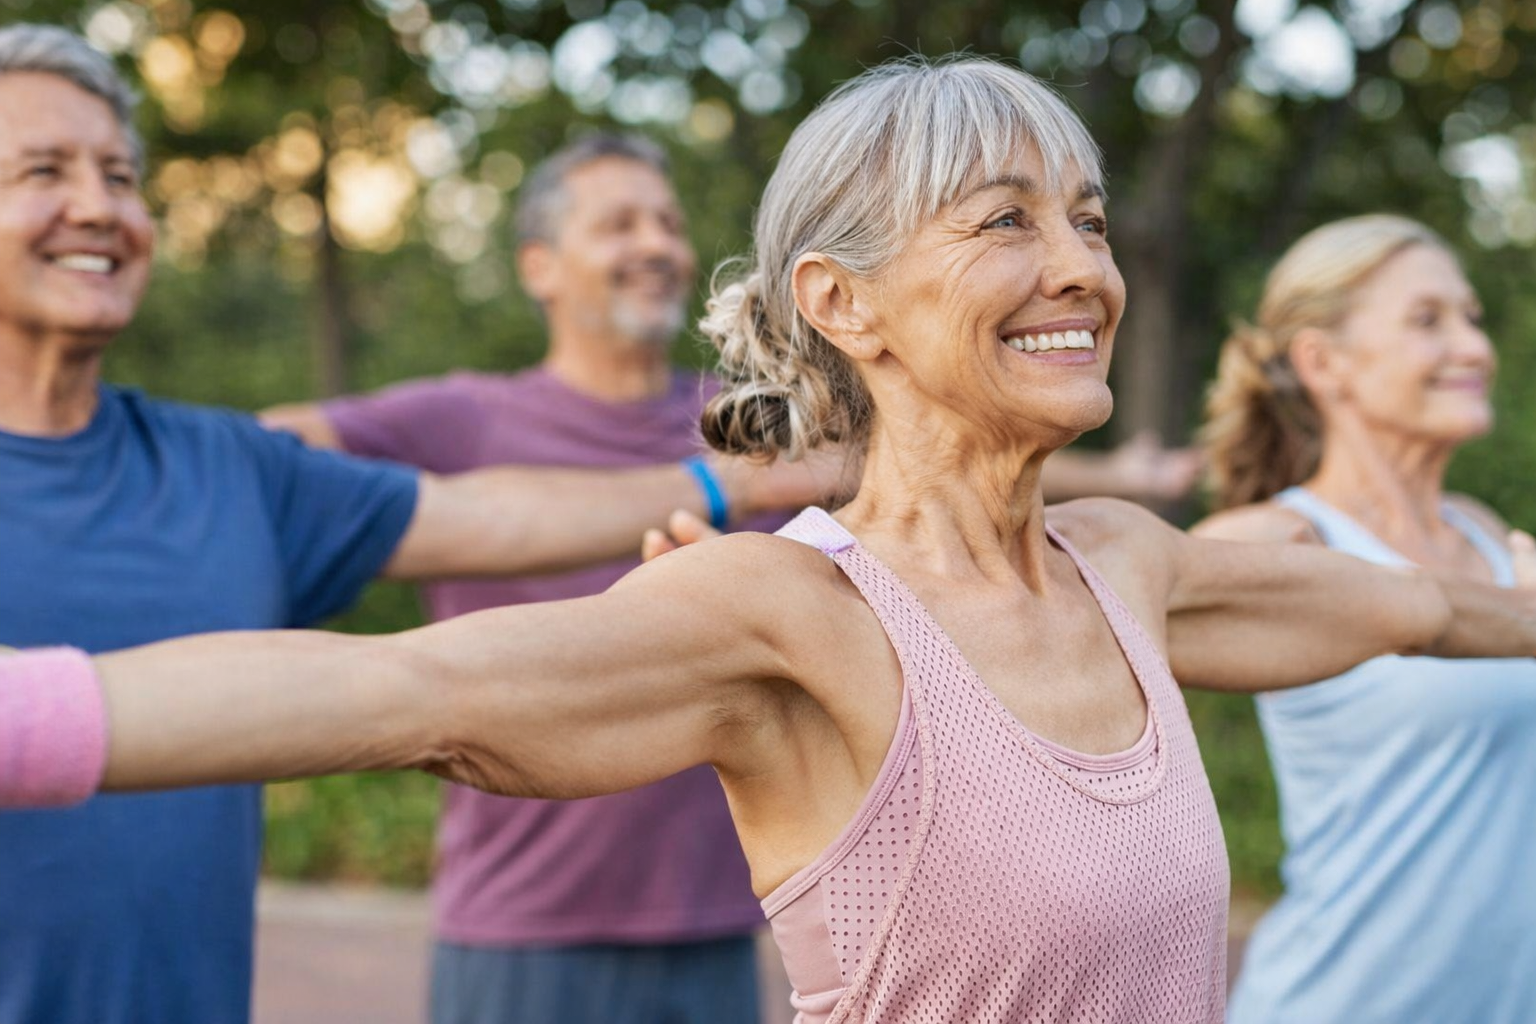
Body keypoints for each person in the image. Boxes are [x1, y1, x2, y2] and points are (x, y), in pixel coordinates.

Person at [4, 56, 1534, 1023]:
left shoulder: (1130, 561)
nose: (1079, 266)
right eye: (1005, 221)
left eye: (1088, 217)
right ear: (840, 303)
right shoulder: (788, 609)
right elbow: (402, 696)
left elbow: (1433, 611)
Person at [0, 24, 827, 1024]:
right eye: (43, 170)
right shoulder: (433, 415)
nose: (97, 205)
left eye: (121, 176)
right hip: (526, 938)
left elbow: (495, 512)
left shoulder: (228, 471)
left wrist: (738, 479)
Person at [264, 132, 786, 1024]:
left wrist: (1114, 475)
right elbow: (258, 456)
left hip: (719, 930)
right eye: (618, 224)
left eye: (667, 222)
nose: (657, 245)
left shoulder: (755, 422)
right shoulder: (464, 420)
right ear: (540, 266)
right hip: (522, 935)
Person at [1194, 214, 1536, 1024]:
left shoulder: (1491, 538)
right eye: (1428, 321)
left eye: (1472, 318)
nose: (1473, 349)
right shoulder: (1276, 540)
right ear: (1324, 362)